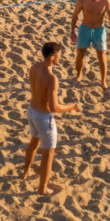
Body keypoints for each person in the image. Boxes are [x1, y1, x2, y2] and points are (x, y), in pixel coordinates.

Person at [22, 41, 79, 195]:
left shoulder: (34, 67)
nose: (60, 57)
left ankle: (26, 172)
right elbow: (54, 107)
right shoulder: (51, 78)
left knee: (33, 143)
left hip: (31, 111)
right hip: (43, 118)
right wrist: (71, 107)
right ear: (53, 56)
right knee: (49, 153)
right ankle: (42, 188)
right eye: (59, 55)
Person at [70, 0, 110, 90]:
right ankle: (79, 74)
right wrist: (72, 31)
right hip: (85, 28)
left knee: (101, 56)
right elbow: (75, 15)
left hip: (99, 30)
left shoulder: (105, 1)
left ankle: (103, 80)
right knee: (80, 53)